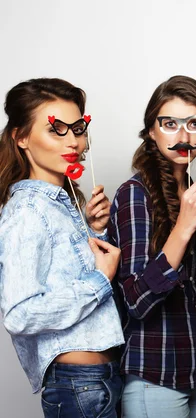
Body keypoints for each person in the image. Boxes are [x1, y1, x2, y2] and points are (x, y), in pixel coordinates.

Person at [0, 78, 124, 417]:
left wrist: (96, 230)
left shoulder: (60, 206)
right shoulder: (27, 211)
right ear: (21, 137)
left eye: (78, 128)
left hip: (100, 379)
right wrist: (99, 282)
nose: (73, 141)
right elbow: (19, 314)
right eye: (56, 130)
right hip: (79, 384)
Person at [109, 75, 196, 418]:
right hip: (155, 378)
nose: (183, 136)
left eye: (193, 124)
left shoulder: (195, 191)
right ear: (151, 131)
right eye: (170, 124)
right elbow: (136, 300)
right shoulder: (136, 193)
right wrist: (184, 225)